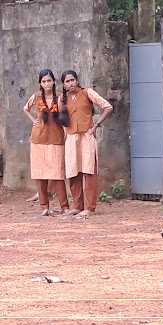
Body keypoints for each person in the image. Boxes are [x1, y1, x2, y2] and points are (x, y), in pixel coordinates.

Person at [59, 70, 113, 218]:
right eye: (67, 81)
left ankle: (90, 207)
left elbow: (107, 107)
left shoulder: (87, 92)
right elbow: (61, 118)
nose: (71, 83)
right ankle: (77, 206)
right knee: (73, 171)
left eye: (72, 80)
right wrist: (65, 133)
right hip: (71, 137)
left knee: (89, 171)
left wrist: (96, 125)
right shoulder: (62, 99)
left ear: (77, 80)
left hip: (87, 136)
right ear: (63, 84)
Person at [23, 69, 70, 216]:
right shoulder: (36, 97)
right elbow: (25, 109)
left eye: (49, 81)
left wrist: (66, 132)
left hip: (56, 138)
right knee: (40, 174)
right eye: (44, 81)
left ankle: (65, 207)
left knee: (58, 174)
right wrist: (34, 121)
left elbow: (65, 117)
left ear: (54, 82)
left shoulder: (61, 98)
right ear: (40, 83)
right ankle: (44, 207)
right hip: (38, 139)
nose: (47, 84)